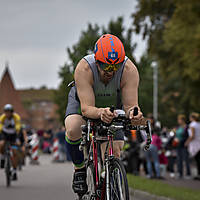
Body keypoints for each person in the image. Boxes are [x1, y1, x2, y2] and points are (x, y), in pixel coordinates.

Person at [64, 34, 143, 197]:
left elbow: (130, 106)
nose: (111, 72)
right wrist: (100, 112)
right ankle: (79, 170)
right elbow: (86, 109)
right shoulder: (84, 68)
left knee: (115, 149)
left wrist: (134, 115)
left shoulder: (129, 70)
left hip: (113, 105)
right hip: (84, 102)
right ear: (96, 61)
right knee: (73, 128)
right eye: (106, 66)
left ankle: (109, 179)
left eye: (115, 67)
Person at [0, 104, 21, 180]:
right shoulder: (2, 117)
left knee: (15, 152)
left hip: (13, 135)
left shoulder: (16, 117)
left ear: (12, 112)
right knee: (1, 144)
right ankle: (2, 158)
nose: (7, 114)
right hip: (4, 134)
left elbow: (18, 126)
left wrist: (17, 138)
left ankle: (14, 171)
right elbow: (0, 126)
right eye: (6, 112)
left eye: (9, 112)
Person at [174, 114, 191, 179]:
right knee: (179, 160)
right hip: (178, 145)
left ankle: (188, 174)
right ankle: (180, 173)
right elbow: (176, 135)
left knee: (186, 160)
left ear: (183, 120)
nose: (178, 121)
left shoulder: (187, 127)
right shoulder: (178, 127)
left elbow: (188, 136)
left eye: (179, 120)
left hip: (184, 145)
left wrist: (184, 141)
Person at [185, 112, 200, 180]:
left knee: (196, 160)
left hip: (195, 144)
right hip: (198, 142)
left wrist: (187, 142)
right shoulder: (198, 124)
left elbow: (192, 136)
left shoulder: (192, 125)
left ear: (192, 118)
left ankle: (197, 174)